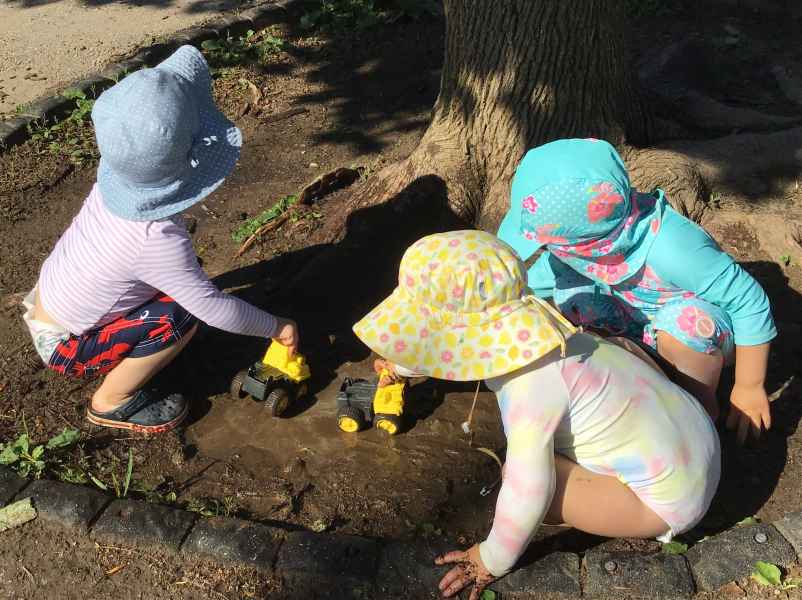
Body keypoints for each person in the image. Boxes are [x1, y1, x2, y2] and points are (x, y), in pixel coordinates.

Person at [352, 230, 721, 600]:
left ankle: (609, 513)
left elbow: (529, 489)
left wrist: (490, 558)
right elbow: (439, 343)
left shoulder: (529, 389)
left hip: (669, 502)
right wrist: (402, 366)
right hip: (697, 437)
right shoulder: (554, 333)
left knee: (527, 478)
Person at [21, 46, 298, 434]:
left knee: (181, 288)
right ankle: (112, 402)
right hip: (66, 343)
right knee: (181, 316)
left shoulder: (112, 178)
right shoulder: (156, 240)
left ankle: (127, 347)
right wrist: (276, 327)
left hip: (50, 296)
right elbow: (213, 309)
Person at [496, 138, 776, 443]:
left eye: (551, 245)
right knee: (571, 297)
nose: (549, 252)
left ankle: (699, 413)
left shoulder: (672, 247)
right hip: (634, 323)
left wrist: (749, 385)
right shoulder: (570, 254)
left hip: (696, 331)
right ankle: (633, 388)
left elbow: (748, 300)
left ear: (587, 243)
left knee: (683, 323)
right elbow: (529, 288)